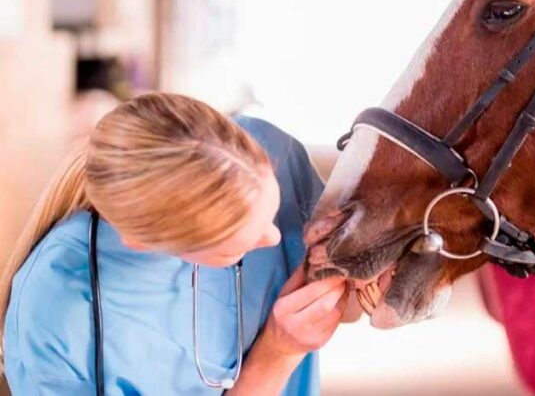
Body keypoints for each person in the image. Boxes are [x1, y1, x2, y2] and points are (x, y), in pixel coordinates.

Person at [0, 92, 352, 394]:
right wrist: (279, 351)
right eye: (232, 248)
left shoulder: (278, 155)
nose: (274, 238)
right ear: (144, 242)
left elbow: (352, 306)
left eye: (272, 209)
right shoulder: (54, 315)